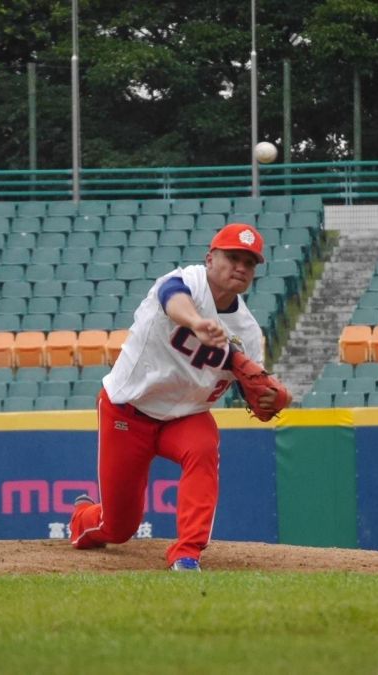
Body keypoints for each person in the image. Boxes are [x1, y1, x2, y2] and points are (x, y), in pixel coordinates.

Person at [69, 223, 285, 571]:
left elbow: (254, 388)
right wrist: (196, 323)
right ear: (210, 258)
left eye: (250, 262)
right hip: (129, 410)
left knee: (203, 447)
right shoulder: (187, 282)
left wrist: (266, 398)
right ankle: (82, 517)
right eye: (233, 257)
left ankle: (187, 554)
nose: (241, 267)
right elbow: (173, 298)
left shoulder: (246, 332)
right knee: (118, 527)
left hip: (185, 417)